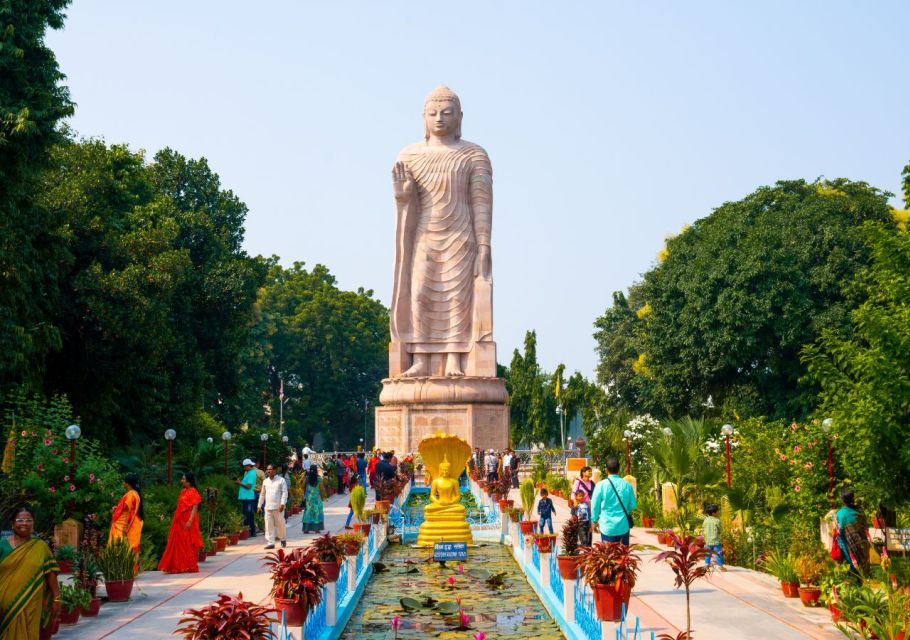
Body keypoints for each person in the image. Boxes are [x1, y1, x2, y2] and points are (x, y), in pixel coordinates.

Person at [0, 505, 60, 638]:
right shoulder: (2, 545)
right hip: (4, 604)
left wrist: (56, 599)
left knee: (30, 632)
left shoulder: (40, 547)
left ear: (33, 524)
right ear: (12, 524)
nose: (24, 524)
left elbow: (50, 573)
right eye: (20, 520)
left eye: (29, 520)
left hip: (31, 601)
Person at [158, 472, 203, 574]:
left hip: (188, 520)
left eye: (183, 479)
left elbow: (195, 507)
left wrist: (190, 521)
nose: (182, 481)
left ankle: (189, 565)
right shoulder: (183, 491)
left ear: (189, 481)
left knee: (188, 542)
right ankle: (177, 565)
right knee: (178, 542)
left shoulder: (193, 492)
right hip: (179, 520)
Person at [590, 457, 637, 545]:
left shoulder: (601, 485)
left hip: (607, 527)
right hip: (623, 526)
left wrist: (595, 520)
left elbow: (595, 505)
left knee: (609, 556)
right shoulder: (627, 485)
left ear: (606, 470)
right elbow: (633, 505)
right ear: (619, 469)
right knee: (623, 557)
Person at [108, 473, 144, 576]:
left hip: (122, 526)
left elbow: (131, 512)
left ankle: (124, 572)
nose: (123, 483)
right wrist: (117, 509)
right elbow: (125, 509)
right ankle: (123, 572)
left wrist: (126, 527)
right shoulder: (131, 494)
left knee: (120, 548)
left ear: (127, 483)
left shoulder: (132, 494)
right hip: (120, 525)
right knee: (119, 548)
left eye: (124, 481)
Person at [835, 489, 870, 577]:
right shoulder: (860, 511)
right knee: (862, 574)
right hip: (863, 547)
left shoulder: (840, 514)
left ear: (842, 500)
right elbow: (866, 527)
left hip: (850, 548)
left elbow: (839, 532)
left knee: (853, 573)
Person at [258, 464, 288, 550]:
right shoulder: (265, 481)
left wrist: (282, 504)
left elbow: (285, 493)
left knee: (280, 524)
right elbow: (262, 494)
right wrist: (259, 505)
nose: (268, 471)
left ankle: (282, 538)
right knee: (268, 525)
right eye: (267, 469)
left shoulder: (281, 480)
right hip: (268, 507)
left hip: (278, 507)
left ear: (275, 470)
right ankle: (270, 542)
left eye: (270, 469)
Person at [235, 459, 258, 537]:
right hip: (245, 497)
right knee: (245, 514)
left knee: (249, 514)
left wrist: (239, 483)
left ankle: (252, 532)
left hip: (248, 497)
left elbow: (248, 486)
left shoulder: (252, 473)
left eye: (245, 466)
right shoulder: (247, 473)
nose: (244, 468)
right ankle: (248, 532)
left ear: (248, 466)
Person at [301, 465, 325, 534]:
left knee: (308, 512)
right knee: (317, 512)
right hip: (317, 499)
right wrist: (323, 496)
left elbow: (302, 486)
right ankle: (317, 529)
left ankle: (306, 529)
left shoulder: (307, 478)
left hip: (308, 498)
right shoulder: (319, 479)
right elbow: (322, 489)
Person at [702, 504, 725, 570]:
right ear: (713, 513)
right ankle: (720, 566)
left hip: (707, 541)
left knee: (708, 554)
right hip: (716, 541)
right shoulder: (717, 521)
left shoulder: (705, 520)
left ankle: (706, 566)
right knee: (718, 553)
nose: (718, 512)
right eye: (717, 511)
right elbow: (720, 530)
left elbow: (703, 528)